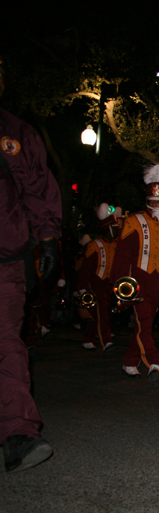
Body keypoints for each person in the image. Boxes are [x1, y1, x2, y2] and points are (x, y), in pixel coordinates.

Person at [1, 55, 60, 472]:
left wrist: (48, 237)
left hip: (4, 258)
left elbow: (38, 187)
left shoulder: (14, 132)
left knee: (6, 344)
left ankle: (18, 433)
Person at [111, 164, 159, 385]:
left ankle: (129, 362)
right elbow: (122, 255)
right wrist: (120, 287)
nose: (155, 206)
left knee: (145, 325)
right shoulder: (133, 220)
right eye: (152, 202)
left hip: (158, 282)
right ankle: (154, 362)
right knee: (143, 322)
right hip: (138, 280)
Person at [75, 203, 122, 351]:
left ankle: (88, 339)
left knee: (102, 314)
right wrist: (82, 287)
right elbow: (86, 268)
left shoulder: (115, 245)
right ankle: (106, 342)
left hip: (108, 283)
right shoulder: (94, 245)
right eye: (114, 228)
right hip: (95, 283)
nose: (117, 230)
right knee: (101, 313)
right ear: (108, 228)